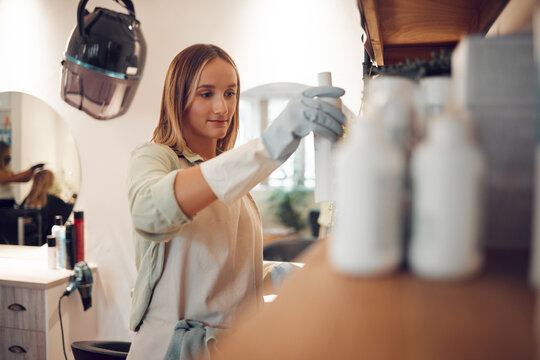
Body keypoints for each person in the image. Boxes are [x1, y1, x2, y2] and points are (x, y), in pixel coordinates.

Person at [126, 44, 345, 360]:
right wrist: (270, 146)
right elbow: (148, 212)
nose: (222, 107)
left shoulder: (230, 172)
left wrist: (283, 275)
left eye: (230, 93)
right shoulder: (155, 157)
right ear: (178, 98)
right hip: (169, 350)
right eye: (206, 94)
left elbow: (219, 270)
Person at [20, 169, 76, 244]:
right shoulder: (52, 200)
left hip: (26, 241)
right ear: (50, 183)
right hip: (45, 241)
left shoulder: (27, 200)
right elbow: (67, 211)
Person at [0, 141, 43, 208]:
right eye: (6, 155)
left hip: (9, 205)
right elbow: (14, 178)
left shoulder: (7, 172)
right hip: (2, 207)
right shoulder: (4, 175)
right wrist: (31, 169)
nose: (9, 157)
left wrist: (32, 171)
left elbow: (24, 179)